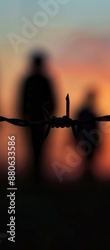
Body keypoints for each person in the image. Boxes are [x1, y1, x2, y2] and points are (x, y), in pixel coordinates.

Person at [19, 51, 57, 185]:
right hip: (32, 121)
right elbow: (22, 101)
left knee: (40, 148)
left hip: (41, 120)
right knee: (33, 147)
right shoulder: (31, 81)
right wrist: (23, 117)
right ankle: (35, 176)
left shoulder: (42, 81)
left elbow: (52, 101)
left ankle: (38, 176)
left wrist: (49, 118)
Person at [76, 89, 101, 182]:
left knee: (90, 158)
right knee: (87, 158)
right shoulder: (87, 113)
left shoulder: (91, 113)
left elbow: (97, 129)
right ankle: (87, 176)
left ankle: (88, 176)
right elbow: (78, 127)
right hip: (85, 139)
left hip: (91, 139)